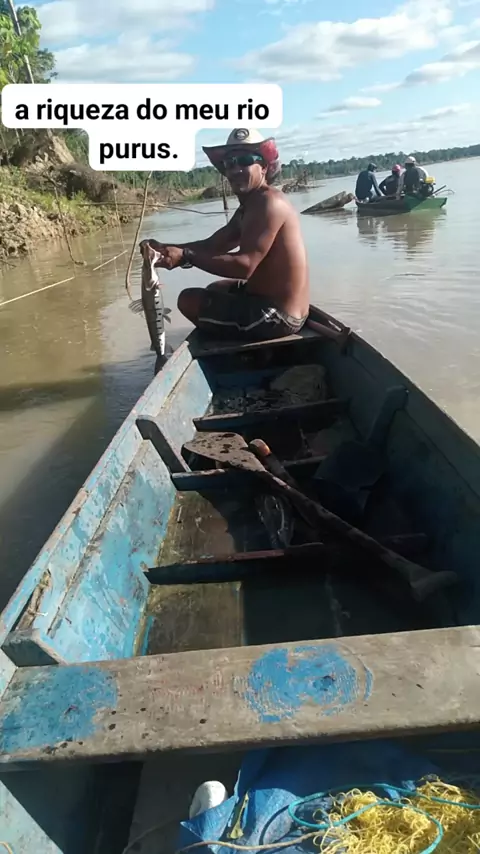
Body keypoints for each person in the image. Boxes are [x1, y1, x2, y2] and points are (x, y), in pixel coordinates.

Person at [144, 128, 310, 342]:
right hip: (265, 299)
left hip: (280, 316)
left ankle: (245, 352)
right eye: (229, 163)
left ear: (263, 167)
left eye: (245, 161)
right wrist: (164, 249)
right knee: (216, 289)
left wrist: (186, 256)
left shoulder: (269, 203)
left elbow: (244, 267)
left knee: (188, 300)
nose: (235, 169)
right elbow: (214, 245)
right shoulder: (250, 205)